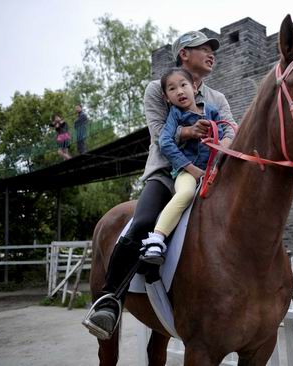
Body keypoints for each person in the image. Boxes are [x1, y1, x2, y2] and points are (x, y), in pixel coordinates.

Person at [85, 30, 235, 339]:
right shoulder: (158, 89)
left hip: (209, 174)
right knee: (141, 223)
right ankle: (109, 299)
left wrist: (227, 143)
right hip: (167, 174)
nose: (211, 53)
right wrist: (190, 132)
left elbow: (232, 130)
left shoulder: (217, 98)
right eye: (203, 48)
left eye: (212, 49)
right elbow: (157, 134)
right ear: (184, 54)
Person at [140, 68, 223, 264]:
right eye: (172, 89)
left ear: (194, 88)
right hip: (187, 171)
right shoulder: (175, 115)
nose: (179, 91)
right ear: (166, 97)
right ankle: (156, 239)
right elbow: (165, 142)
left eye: (183, 85)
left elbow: (222, 132)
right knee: (185, 194)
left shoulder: (211, 110)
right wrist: (190, 168)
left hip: (211, 169)